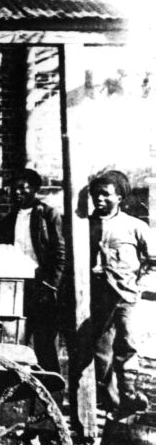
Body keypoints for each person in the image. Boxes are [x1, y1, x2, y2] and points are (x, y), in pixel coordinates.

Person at [88, 170, 152, 417]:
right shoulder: (86, 225)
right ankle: (108, 400)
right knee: (101, 351)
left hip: (125, 297)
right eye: (96, 195)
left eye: (105, 195)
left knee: (127, 346)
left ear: (120, 197)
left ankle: (128, 396)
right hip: (96, 298)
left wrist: (140, 286)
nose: (99, 200)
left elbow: (153, 259)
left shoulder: (134, 227)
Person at [0, 168, 66, 373]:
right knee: (15, 337)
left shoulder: (48, 215)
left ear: (34, 189)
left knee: (45, 341)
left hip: (42, 285)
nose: (17, 193)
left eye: (23, 188)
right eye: (14, 189)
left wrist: (52, 285)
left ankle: (51, 386)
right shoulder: (9, 220)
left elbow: (60, 252)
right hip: (17, 286)